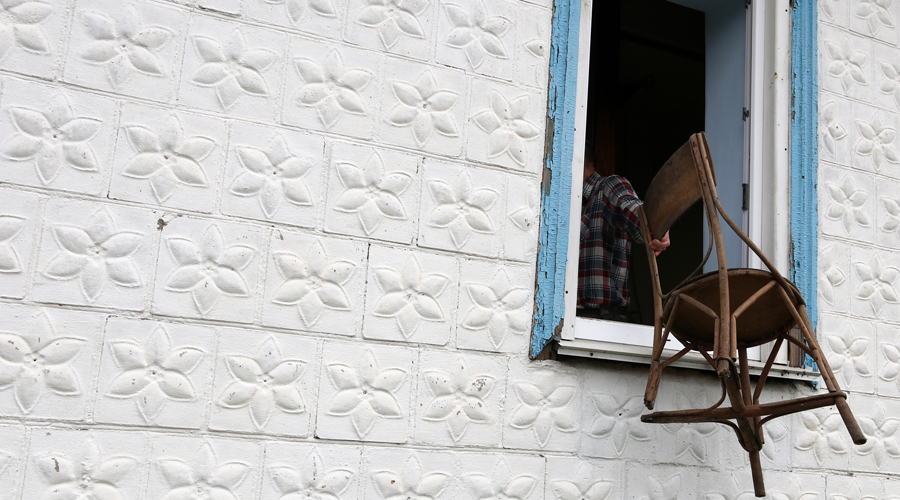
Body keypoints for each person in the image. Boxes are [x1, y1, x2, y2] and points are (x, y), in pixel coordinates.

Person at [578, 147, 670, 321]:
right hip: (572, 322)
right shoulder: (571, 202)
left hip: (604, 323)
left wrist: (657, 226)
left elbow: (635, 210)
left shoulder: (608, 186)